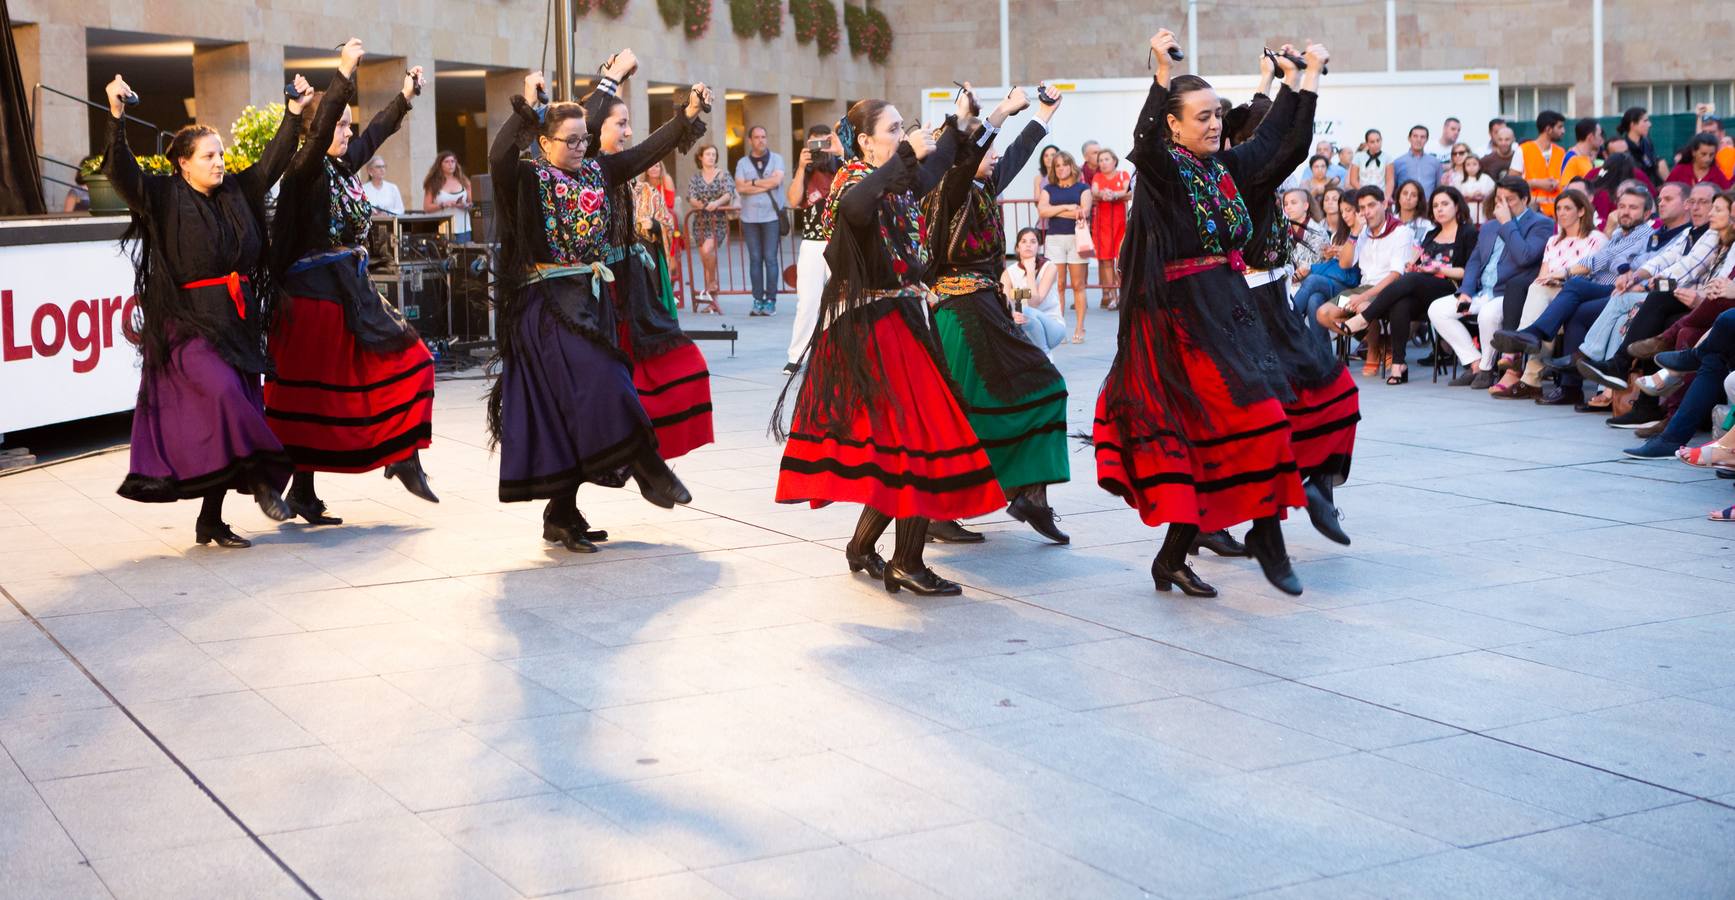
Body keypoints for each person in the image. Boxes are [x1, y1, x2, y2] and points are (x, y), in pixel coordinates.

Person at [1092, 29, 1332, 599]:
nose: (1214, 123)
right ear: (1175, 124)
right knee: (1261, 421)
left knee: (1215, 442)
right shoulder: (1164, 171)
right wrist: (1160, 74)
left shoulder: (1220, 170)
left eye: (1217, 114)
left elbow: (1285, 143)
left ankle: (1172, 558)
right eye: (1201, 116)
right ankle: (1267, 537)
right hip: (1185, 322)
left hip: (1229, 310)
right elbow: (1143, 141)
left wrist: (1307, 80)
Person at [774, 91, 1003, 596]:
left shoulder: (897, 182)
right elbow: (857, 207)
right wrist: (906, 155)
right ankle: (907, 562)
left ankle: (864, 547)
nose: (904, 135)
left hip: (901, 318)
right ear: (867, 142)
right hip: (872, 324)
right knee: (924, 439)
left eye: (904, 128)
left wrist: (968, 122)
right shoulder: (851, 181)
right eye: (894, 129)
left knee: (901, 445)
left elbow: (940, 161)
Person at [486, 66, 701, 554]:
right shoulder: (525, 176)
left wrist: (686, 115)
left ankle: (561, 513)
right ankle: (648, 467)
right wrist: (527, 109)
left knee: (571, 412)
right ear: (543, 142)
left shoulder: (598, 172)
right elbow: (498, 153)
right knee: (604, 377)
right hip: (544, 307)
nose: (581, 148)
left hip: (588, 301)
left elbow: (646, 151)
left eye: (585, 139)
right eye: (570, 140)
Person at [102, 71, 303, 546]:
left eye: (221, 154)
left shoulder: (236, 191)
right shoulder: (162, 195)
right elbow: (122, 172)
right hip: (186, 322)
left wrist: (293, 113)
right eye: (209, 156)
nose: (220, 162)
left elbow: (273, 161)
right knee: (222, 396)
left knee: (230, 411)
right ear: (183, 164)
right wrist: (116, 117)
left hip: (235, 320)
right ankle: (261, 481)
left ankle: (210, 518)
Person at [264, 43, 437, 527]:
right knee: (309, 398)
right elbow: (320, 132)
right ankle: (298, 490)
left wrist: (404, 96)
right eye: (339, 125)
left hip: (348, 293)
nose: (347, 132)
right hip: (311, 301)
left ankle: (403, 455)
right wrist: (342, 75)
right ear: (315, 131)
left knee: (412, 359)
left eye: (346, 125)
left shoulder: (341, 168)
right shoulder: (302, 171)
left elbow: (376, 132)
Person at [922, 84, 1071, 544]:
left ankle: (1031, 495)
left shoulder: (983, 185)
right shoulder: (950, 189)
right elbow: (969, 159)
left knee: (1045, 389)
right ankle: (935, 512)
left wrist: (1043, 115)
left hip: (986, 307)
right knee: (964, 414)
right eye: (986, 149)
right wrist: (1001, 111)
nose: (995, 155)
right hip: (959, 314)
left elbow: (1017, 155)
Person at [1230, 49, 1358, 552]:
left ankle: (1317, 487)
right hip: (1246, 309)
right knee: (1264, 413)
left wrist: (1271, 76)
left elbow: (1259, 119)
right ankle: (1219, 526)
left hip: (1271, 302)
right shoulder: (1247, 174)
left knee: (1328, 392)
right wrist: (1305, 78)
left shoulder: (1247, 166)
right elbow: (1289, 141)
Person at [586, 53, 716, 463]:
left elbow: (647, 149)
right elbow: (640, 149)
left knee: (681, 367)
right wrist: (610, 79)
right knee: (603, 390)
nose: (626, 132)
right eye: (619, 124)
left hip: (632, 291)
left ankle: (645, 461)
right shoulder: (589, 168)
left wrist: (690, 112)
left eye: (627, 123)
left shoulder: (613, 167)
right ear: (596, 130)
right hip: (600, 297)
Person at [1486, 183, 1669, 397]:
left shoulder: (1645, 234)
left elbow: (1603, 258)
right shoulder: (1619, 233)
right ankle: (1566, 385)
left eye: (1633, 208)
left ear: (1647, 213)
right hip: (1598, 286)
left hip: (1620, 290)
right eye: (1622, 206)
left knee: (1573, 286)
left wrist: (1564, 273)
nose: (1626, 211)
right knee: (1561, 301)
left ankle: (1533, 338)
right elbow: (1606, 260)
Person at [1336, 186, 1476, 384]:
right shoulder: (1431, 235)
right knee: (1401, 302)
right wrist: (1415, 266)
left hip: (1452, 288)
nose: (1439, 209)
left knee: (1406, 279)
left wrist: (1439, 269)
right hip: (1424, 288)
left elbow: (1469, 272)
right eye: (1435, 205)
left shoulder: (1467, 232)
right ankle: (1398, 365)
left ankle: (1364, 318)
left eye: (1445, 204)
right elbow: (1419, 265)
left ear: (1457, 206)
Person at [1425, 177, 1552, 392]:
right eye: (1499, 199)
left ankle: (1487, 369)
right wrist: (1465, 291)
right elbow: (1475, 260)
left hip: (1508, 294)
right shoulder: (1489, 226)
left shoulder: (1541, 223)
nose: (1502, 205)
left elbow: (1525, 256)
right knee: (1437, 309)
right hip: (1482, 291)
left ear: (1525, 199)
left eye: (1509, 200)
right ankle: (1474, 363)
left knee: (1488, 315)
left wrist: (1507, 224)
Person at [1481, 189, 1605, 398]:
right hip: (1548, 291)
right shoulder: (1554, 240)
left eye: (1567, 208)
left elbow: (1589, 270)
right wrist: (1547, 279)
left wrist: (1558, 277)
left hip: (1577, 291)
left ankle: (1519, 346)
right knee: (1536, 290)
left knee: (1538, 295)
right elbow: (1542, 275)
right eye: (1558, 208)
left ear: (1582, 211)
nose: (1561, 213)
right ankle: (1530, 373)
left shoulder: (1596, 238)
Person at [1319, 185, 1416, 373]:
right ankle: (1378, 343)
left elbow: (1396, 275)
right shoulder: (1362, 231)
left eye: (1371, 206)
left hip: (1388, 290)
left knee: (1363, 306)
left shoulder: (1400, 231)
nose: (1367, 212)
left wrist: (1363, 298)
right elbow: (1345, 264)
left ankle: (1372, 350)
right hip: (1362, 289)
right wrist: (1354, 233)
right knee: (1323, 314)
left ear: (1384, 204)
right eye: (1362, 208)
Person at [784, 124, 843, 374]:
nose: (820, 149)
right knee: (807, 301)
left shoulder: (844, 166)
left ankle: (835, 353)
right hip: (812, 241)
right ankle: (797, 356)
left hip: (840, 241)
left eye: (824, 143)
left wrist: (841, 154)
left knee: (841, 302)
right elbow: (793, 200)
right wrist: (800, 167)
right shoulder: (805, 170)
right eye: (815, 144)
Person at [1038, 150, 1093, 342]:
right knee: (1058, 285)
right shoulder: (1049, 189)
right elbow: (1042, 211)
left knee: (1078, 285)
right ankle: (1060, 327)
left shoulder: (1083, 188)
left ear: (1072, 166)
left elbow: (1084, 212)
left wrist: (1055, 211)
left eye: (1064, 164)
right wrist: (1068, 207)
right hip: (1054, 240)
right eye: (1057, 165)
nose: (1061, 169)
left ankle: (1080, 328)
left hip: (1077, 238)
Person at [734, 125, 786, 315]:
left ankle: (771, 300)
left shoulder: (777, 159)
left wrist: (752, 184)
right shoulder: (742, 163)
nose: (761, 140)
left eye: (763, 136)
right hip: (749, 218)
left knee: (770, 259)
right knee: (755, 259)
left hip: (771, 216)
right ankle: (757, 300)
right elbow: (740, 187)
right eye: (756, 137)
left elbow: (776, 182)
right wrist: (762, 184)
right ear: (750, 140)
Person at [1293, 191, 1362, 327]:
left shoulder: (1363, 234)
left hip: (1353, 296)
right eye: (1342, 211)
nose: (1344, 215)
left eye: (1348, 210)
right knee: (1314, 300)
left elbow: (1347, 270)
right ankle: (1320, 349)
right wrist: (1331, 256)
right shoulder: (1337, 235)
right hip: (1335, 292)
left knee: (1312, 279)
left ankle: (1287, 323)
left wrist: (1342, 253)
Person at [685, 145, 734, 312]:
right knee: (705, 261)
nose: (711, 157)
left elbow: (728, 193)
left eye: (714, 154)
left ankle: (713, 284)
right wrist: (700, 204)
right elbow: (691, 196)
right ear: (701, 157)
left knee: (708, 250)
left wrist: (716, 203)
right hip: (700, 220)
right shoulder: (695, 178)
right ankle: (712, 301)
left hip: (717, 220)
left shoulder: (722, 175)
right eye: (708, 154)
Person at [1002, 227, 1066, 351]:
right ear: (1017, 247)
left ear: (1038, 247)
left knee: (1026, 311)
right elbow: (1004, 303)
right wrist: (1013, 314)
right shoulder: (1008, 273)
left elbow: (1034, 303)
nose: (1028, 245)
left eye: (1033, 241)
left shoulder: (1049, 267)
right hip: (1023, 325)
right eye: (1024, 241)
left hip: (1052, 327)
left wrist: (1030, 272)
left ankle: (1044, 356)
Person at [632, 160, 680, 315]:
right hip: (624, 250)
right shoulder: (618, 191)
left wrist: (653, 224)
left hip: (648, 245)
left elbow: (667, 220)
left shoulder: (652, 192)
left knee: (654, 285)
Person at [1091, 147, 1131, 310]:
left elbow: (1129, 192)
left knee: (1120, 260)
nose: (1103, 163)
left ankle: (1124, 294)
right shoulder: (1098, 176)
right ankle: (1113, 296)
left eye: (1106, 159)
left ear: (1114, 160)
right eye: (1100, 160)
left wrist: (1114, 195)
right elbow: (1094, 192)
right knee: (1106, 260)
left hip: (1121, 223)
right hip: (1103, 224)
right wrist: (1103, 194)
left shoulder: (1123, 175)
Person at [1516, 110, 1568, 217]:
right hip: (1532, 211)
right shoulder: (1523, 149)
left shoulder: (1561, 151)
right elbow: (1512, 182)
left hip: (1558, 211)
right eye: (1560, 127)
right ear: (1548, 129)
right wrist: (1536, 183)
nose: (1563, 131)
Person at [422, 150, 472, 242]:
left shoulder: (464, 181)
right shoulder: (433, 183)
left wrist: (464, 205)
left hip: (462, 228)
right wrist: (443, 205)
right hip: (441, 229)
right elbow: (426, 207)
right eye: (447, 162)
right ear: (440, 164)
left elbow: (472, 204)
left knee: (464, 255)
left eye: (453, 161)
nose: (450, 164)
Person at [1386, 124, 1443, 194]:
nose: (1419, 140)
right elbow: (1392, 189)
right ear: (1409, 138)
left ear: (1427, 140)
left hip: (1428, 204)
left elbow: (1439, 189)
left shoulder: (1435, 163)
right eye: (1415, 136)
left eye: (1422, 137)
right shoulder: (1397, 163)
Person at [1666, 133, 1734, 190]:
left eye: (1711, 155)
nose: (1708, 159)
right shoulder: (1680, 170)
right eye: (1703, 154)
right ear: (1693, 152)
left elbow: (1727, 195)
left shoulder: (1717, 174)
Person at [1620, 106, 1666, 184]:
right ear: (1633, 124)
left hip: (1652, 187)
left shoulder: (1647, 142)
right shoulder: (1623, 146)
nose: (1649, 124)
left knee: (1661, 163)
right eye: (1645, 121)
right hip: (1635, 187)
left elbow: (1652, 167)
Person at [1561, 118, 1603, 187]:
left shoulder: (1588, 158)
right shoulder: (1571, 158)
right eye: (1599, 134)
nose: (1601, 139)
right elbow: (1565, 188)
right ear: (1591, 137)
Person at [1394, 179, 1432, 244]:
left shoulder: (1427, 226)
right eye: (1405, 193)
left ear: (1418, 200)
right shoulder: (1389, 223)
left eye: (1413, 195)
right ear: (1398, 197)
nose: (1408, 198)